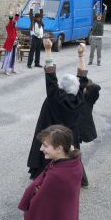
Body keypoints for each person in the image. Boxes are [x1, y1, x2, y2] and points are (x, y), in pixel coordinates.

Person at [17, 125, 83, 220]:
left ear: (59, 148)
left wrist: (36, 193)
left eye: (46, 146)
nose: (41, 149)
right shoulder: (73, 161)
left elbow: (37, 208)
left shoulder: (56, 176)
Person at [27, 40, 89, 187]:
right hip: (70, 136)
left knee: (49, 160)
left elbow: (50, 75)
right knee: (72, 157)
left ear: (62, 86)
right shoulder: (80, 97)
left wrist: (48, 49)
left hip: (54, 136)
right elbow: (82, 77)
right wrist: (81, 55)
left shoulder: (55, 97)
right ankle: (80, 180)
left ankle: (47, 183)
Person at [1, 10, 20, 75]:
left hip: (14, 43)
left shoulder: (14, 28)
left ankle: (13, 69)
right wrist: (11, 15)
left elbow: (15, 20)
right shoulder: (10, 26)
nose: (15, 23)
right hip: (10, 43)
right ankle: (6, 70)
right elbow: (11, 21)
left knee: (14, 56)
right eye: (15, 23)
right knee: (8, 57)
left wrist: (17, 13)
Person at [27, 2, 44, 68]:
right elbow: (31, 14)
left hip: (40, 38)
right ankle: (29, 64)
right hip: (34, 37)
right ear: (36, 18)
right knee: (32, 51)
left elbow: (41, 14)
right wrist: (31, 6)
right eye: (38, 18)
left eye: (40, 18)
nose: (39, 18)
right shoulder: (33, 20)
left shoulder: (40, 22)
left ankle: (37, 63)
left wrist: (40, 6)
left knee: (38, 51)